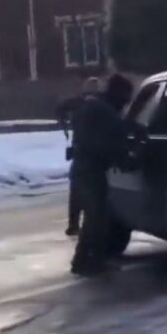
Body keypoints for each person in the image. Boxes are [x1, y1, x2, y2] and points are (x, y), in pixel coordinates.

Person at [69, 74, 134, 276]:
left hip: (80, 167)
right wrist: (130, 161)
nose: (126, 104)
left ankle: (82, 260)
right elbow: (113, 147)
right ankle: (91, 262)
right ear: (119, 94)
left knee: (93, 217)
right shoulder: (107, 115)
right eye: (126, 98)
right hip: (91, 170)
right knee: (97, 218)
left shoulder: (94, 106)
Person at [56, 77, 102, 236]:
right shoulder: (100, 105)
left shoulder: (77, 104)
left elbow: (61, 108)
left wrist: (65, 125)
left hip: (80, 152)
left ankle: (74, 224)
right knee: (93, 192)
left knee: (77, 192)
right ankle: (90, 224)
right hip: (93, 154)